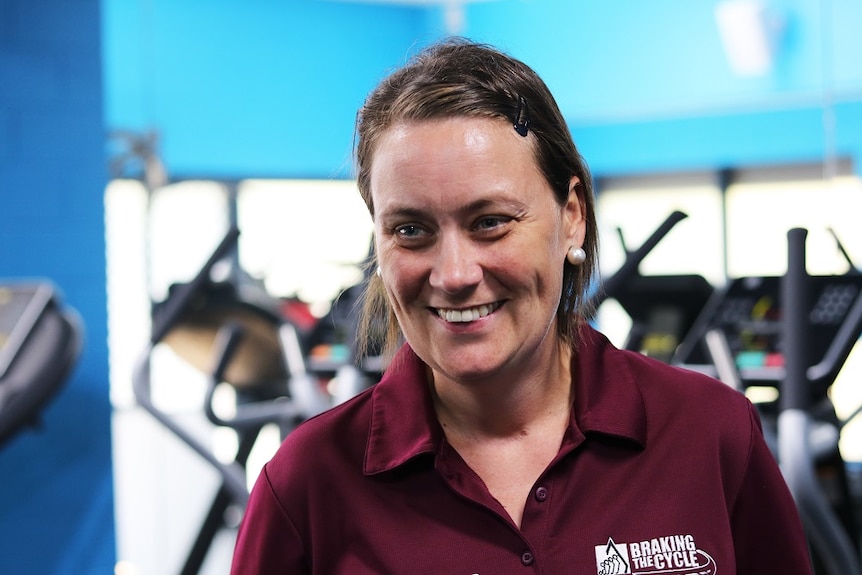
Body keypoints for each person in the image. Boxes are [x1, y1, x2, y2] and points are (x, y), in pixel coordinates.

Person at [231, 38, 813, 574]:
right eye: (411, 230)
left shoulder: (709, 434)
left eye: (491, 223)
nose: (454, 274)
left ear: (572, 216)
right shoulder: (306, 483)